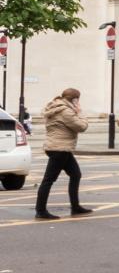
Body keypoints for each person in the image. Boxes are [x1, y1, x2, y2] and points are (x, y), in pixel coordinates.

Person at [35, 88, 92, 220]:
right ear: (74, 99)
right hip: (59, 149)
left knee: (75, 174)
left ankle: (75, 206)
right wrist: (80, 112)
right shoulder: (66, 111)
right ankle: (41, 210)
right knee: (48, 180)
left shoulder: (55, 107)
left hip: (57, 147)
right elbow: (81, 126)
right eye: (78, 99)